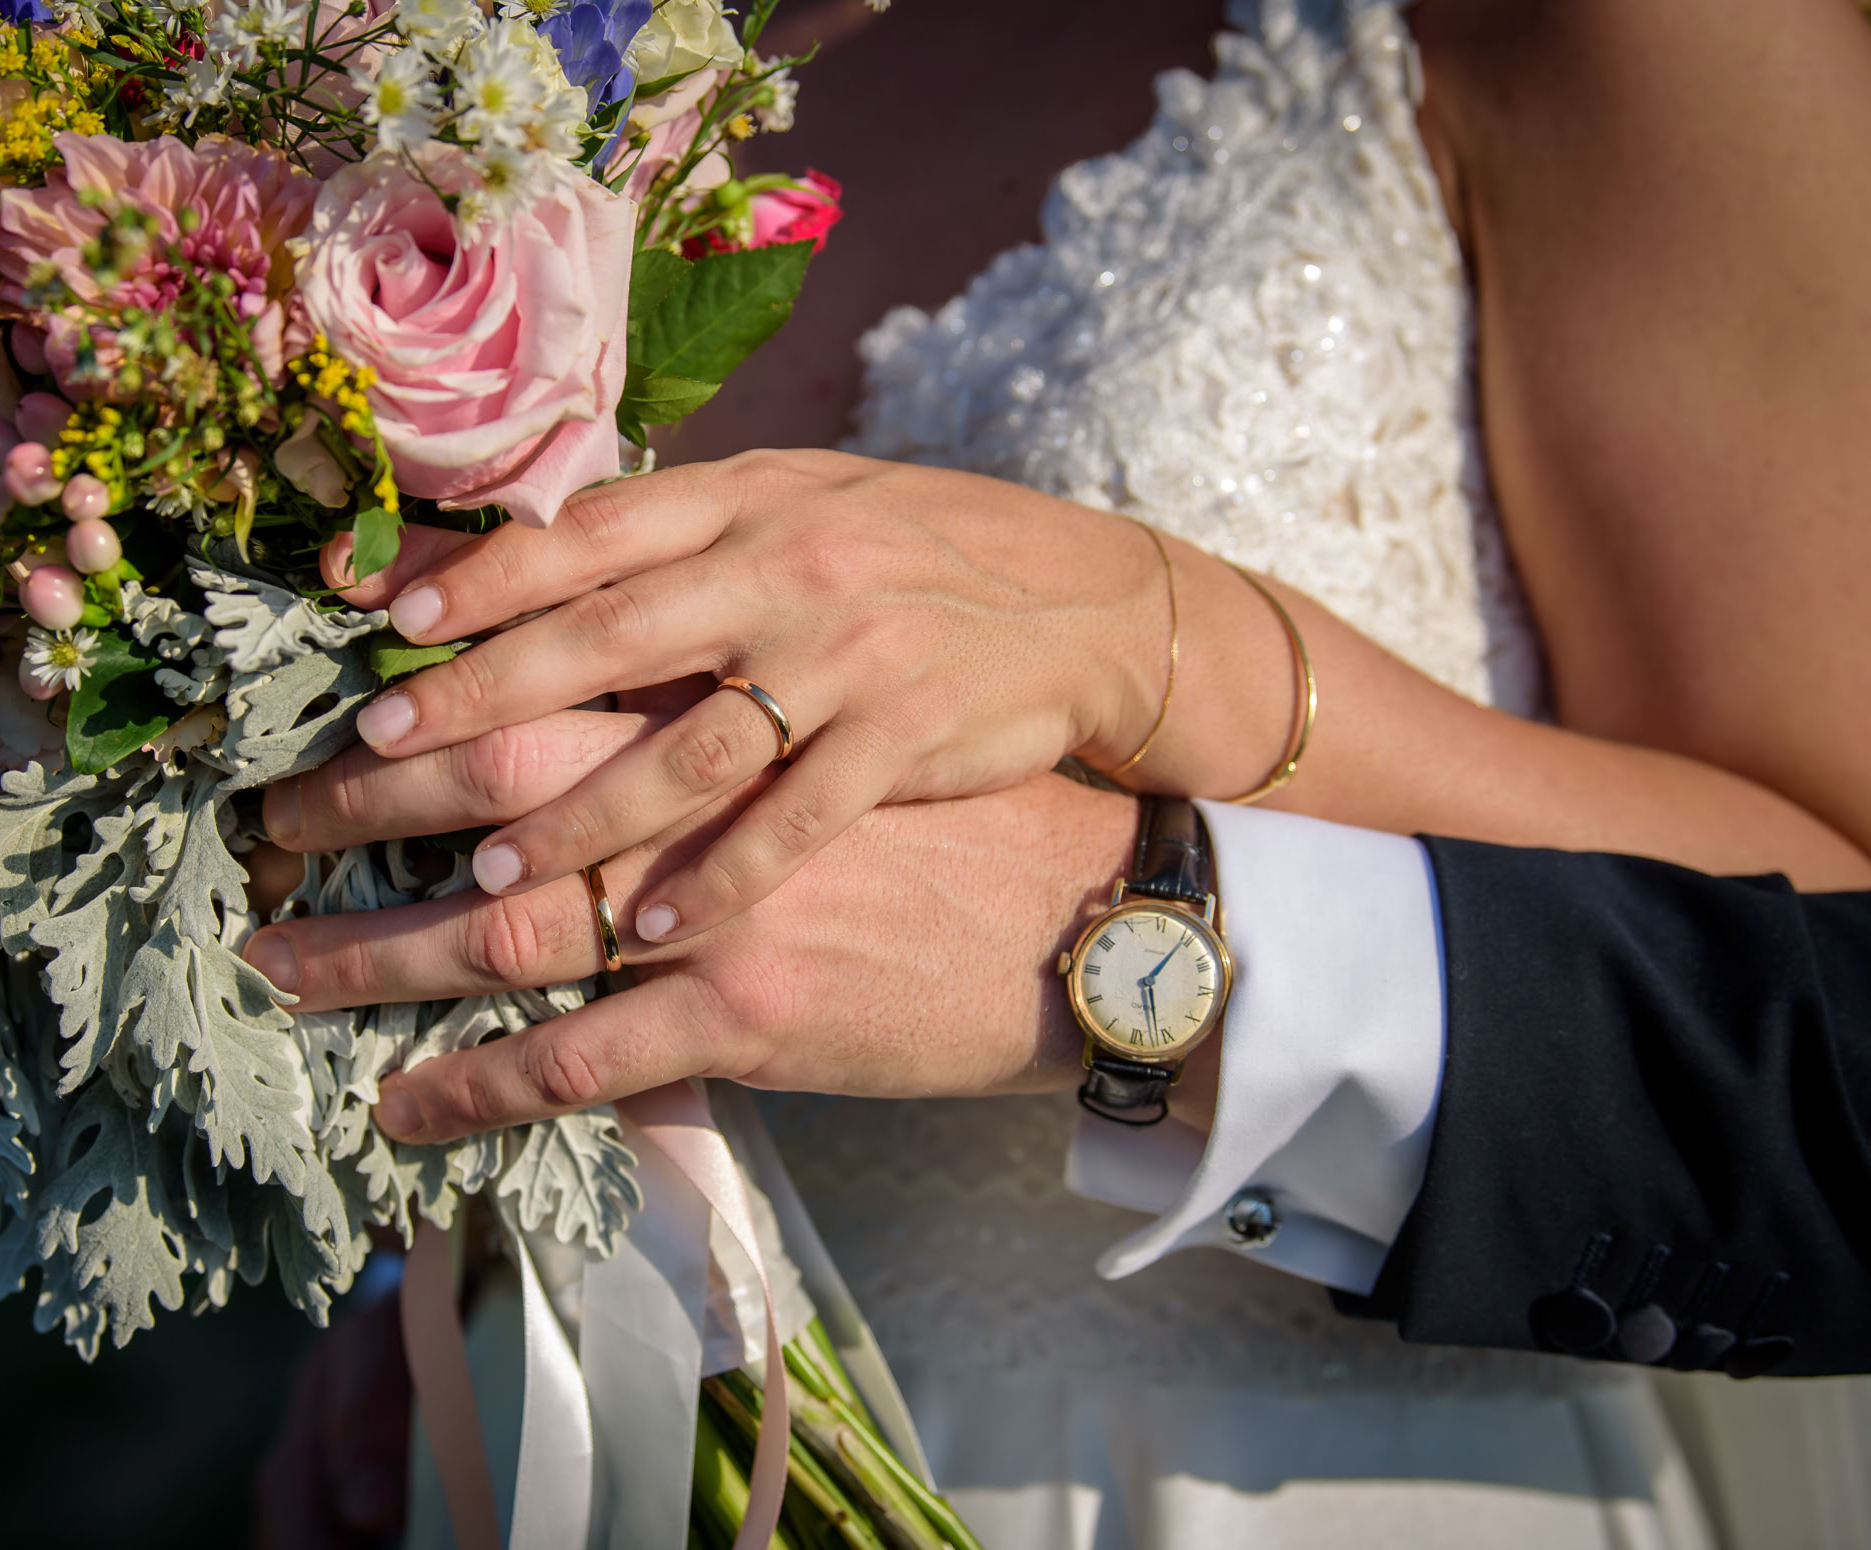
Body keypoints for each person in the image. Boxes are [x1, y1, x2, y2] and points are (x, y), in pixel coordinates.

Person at [245, 0, 1871, 1543]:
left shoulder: (1600, 37)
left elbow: (1825, 971)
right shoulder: (534, 68)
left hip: (1285, 1479)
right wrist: (481, 1251)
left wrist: (1160, 675)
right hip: (602, 1439)